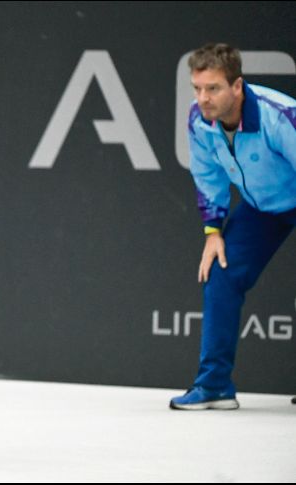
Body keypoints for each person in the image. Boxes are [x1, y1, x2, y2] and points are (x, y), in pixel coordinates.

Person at [170, 43, 296, 410]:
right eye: (197, 88)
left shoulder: (280, 117)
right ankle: (215, 387)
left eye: (213, 89)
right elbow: (208, 176)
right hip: (262, 209)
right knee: (220, 274)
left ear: (236, 86)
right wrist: (213, 232)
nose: (202, 98)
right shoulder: (199, 121)